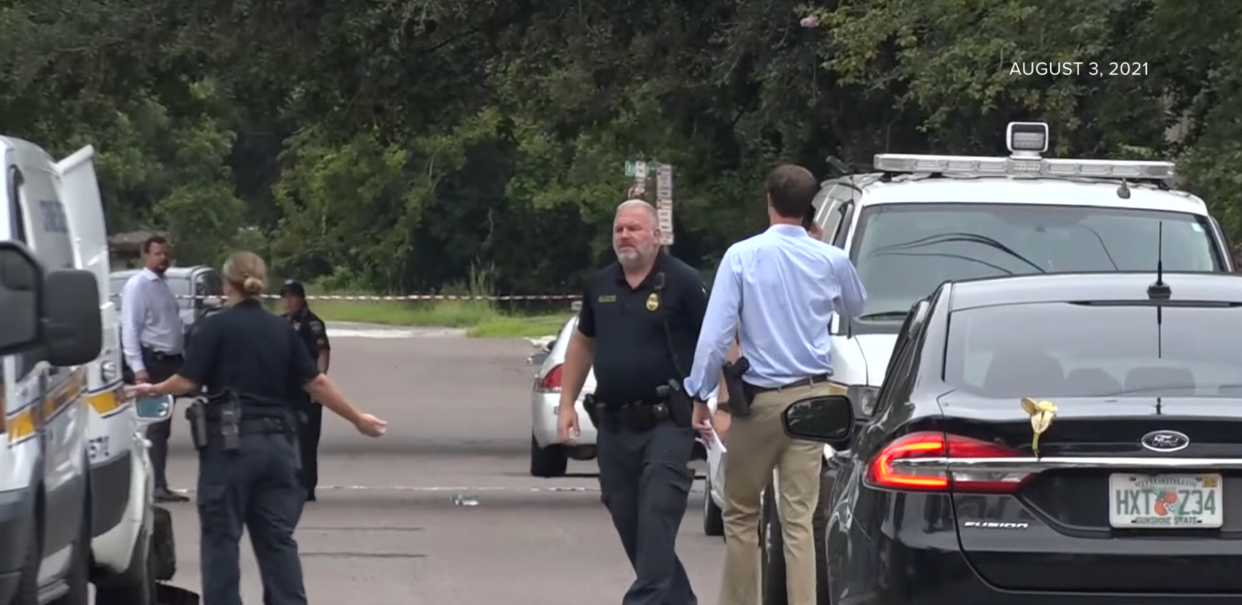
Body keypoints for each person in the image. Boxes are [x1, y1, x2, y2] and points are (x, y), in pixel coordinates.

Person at [126, 251, 388, 605]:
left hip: (229, 449)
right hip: (279, 449)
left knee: (221, 541)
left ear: (226, 284)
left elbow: (187, 381)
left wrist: (153, 388)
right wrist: (359, 418)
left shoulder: (216, 326)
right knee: (277, 542)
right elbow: (316, 383)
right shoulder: (282, 328)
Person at [684, 165, 867, 605]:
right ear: (810, 209)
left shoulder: (742, 256)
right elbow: (857, 305)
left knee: (742, 511)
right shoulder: (831, 258)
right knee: (799, 517)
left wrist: (699, 393)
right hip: (812, 399)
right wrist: (821, 250)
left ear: (768, 200)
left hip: (760, 401)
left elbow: (715, 336)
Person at [557, 199, 708, 605]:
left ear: (657, 236)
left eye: (635, 228)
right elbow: (582, 343)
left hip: (667, 423)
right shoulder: (600, 285)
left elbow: (721, 342)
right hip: (614, 427)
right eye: (619, 229)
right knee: (635, 530)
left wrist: (723, 403)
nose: (625, 235)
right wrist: (566, 403)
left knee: (658, 515)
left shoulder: (684, 282)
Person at [120, 235, 189, 503]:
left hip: (170, 361)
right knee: (156, 426)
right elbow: (130, 328)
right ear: (145, 256)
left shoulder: (162, 284)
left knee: (163, 425)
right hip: (153, 363)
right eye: (158, 253)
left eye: (165, 253)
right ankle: (153, 485)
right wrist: (138, 368)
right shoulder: (139, 286)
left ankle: (158, 481)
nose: (163, 258)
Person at [281, 280, 330, 502]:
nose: (288, 301)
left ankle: (307, 486)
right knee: (285, 438)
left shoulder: (313, 324)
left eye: (292, 296)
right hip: (284, 388)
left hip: (308, 388)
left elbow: (322, 353)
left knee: (307, 439)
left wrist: (319, 382)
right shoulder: (280, 323)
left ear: (302, 299)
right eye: (285, 297)